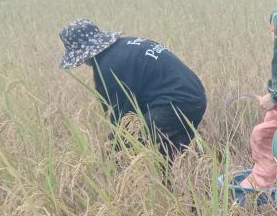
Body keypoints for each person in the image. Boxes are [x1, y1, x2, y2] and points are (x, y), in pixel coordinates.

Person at [59, 18, 206, 165]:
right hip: (195, 96)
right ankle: (176, 183)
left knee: (120, 145)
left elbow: (122, 118)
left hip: (174, 103)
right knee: (171, 160)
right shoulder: (125, 46)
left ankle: (117, 183)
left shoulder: (108, 67)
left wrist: (111, 153)